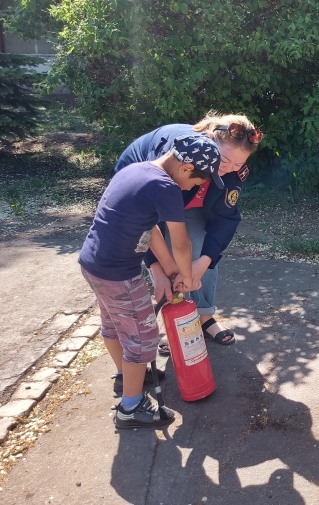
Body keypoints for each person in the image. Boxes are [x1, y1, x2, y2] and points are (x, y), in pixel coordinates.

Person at [79, 134, 222, 428]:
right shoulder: (166, 187)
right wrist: (186, 275)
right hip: (120, 274)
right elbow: (181, 243)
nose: (193, 188)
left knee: (114, 326)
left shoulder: (138, 170)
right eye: (196, 182)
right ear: (185, 169)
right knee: (143, 338)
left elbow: (151, 231)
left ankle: (127, 376)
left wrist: (170, 270)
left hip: (94, 264)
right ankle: (130, 409)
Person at [115, 112, 262, 349]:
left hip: (191, 197)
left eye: (238, 164)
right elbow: (146, 226)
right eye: (224, 162)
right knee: (167, 252)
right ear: (209, 140)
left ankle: (204, 315)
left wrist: (201, 264)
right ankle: (173, 320)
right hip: (148, 194)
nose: (229, 170)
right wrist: (157, 269)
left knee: (198, 242)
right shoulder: (175, 154)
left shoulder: (233, 169)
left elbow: (226, 218)